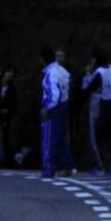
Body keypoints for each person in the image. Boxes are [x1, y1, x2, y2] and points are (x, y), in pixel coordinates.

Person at [39, 46, 74, 177]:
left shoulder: (50, 73)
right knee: (60, 138)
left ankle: (48, 168)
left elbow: (55, 93)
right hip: (63, 105)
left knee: (49, 139)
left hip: (54, 107)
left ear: (42, 60)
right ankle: (67, 165)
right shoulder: (64, 71)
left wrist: (48, 107)